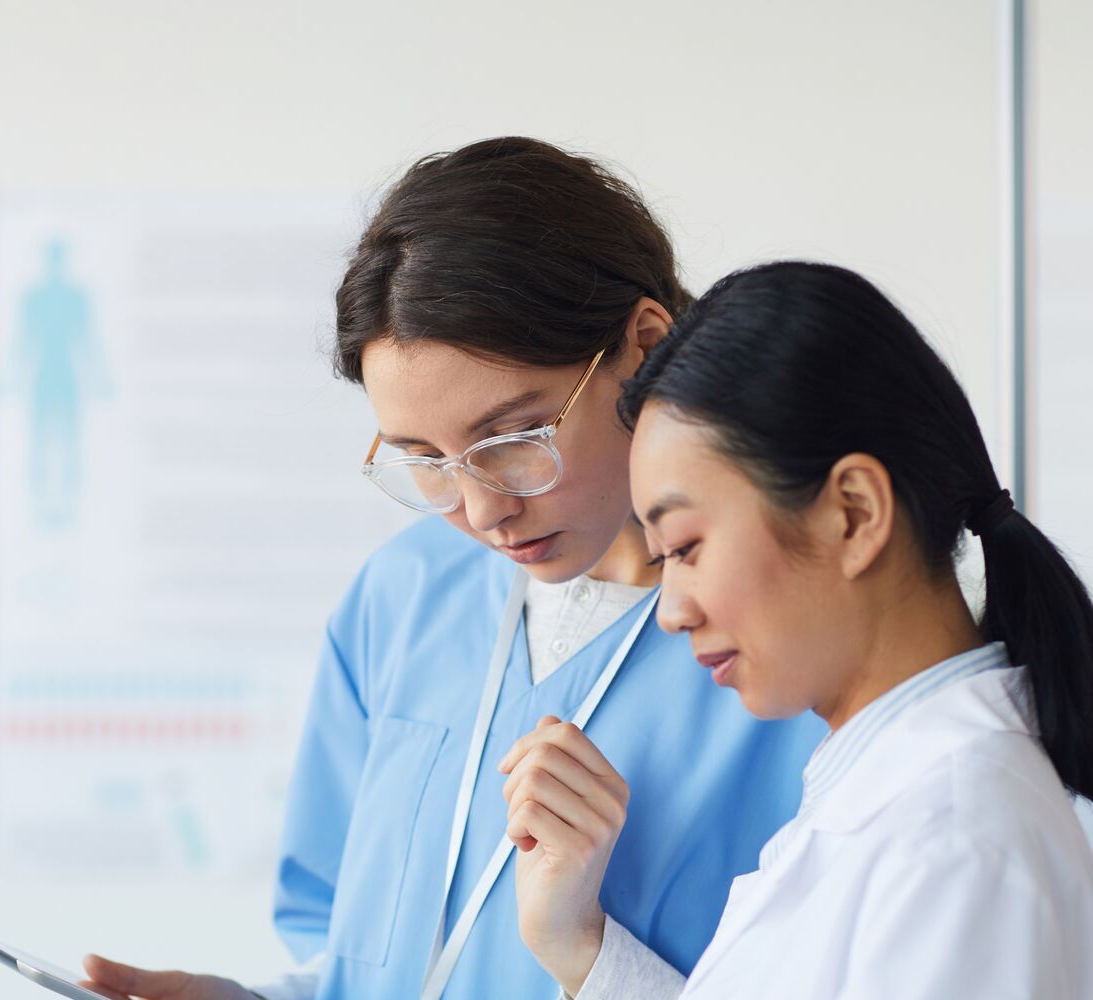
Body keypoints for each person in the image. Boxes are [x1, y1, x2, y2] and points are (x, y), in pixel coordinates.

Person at [80, 138, 825, 1000]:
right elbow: (356, 954)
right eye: (423, 460)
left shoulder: (789, 642)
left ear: (644, 346)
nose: (480, 511)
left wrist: (593, 955)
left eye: (511, 442)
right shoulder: (403, 596)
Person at [505, 261, 1093, 997]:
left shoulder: (958, 841)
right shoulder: (887, 798)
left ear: (853, 513)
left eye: (685, 548)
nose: (671, 610)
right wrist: (578, 948)